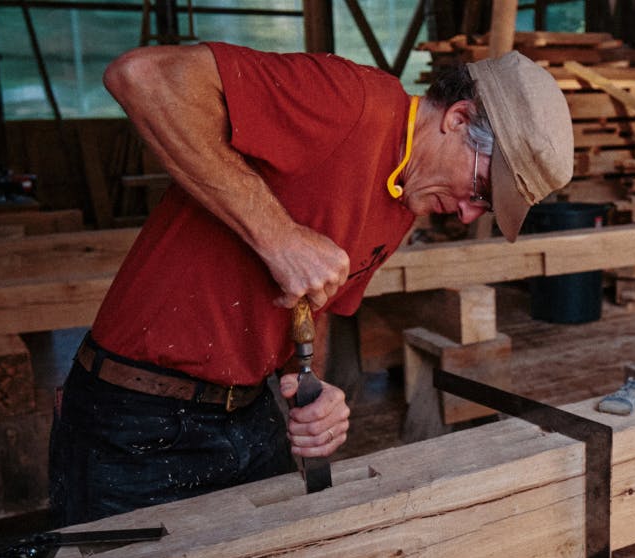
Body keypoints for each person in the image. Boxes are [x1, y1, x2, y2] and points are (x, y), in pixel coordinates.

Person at [48, 40, 574, 526]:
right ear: (458, 119)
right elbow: (141, 77)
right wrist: (278, 236)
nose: (465, 214)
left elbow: (312, 307)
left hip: (247, 414)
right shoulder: (352, 103)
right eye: (480, 189)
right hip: (132, 417)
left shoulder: (404, 201)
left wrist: (313, 392)